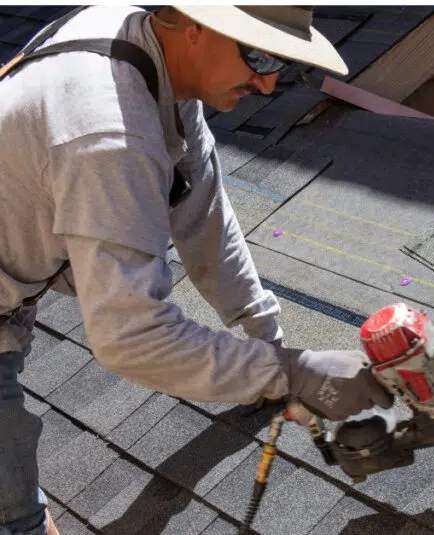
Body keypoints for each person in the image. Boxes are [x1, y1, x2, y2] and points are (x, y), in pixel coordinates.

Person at [0, 6, 392, 534]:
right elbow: (131, 339)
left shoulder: (149, 52)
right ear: (195, 26)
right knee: (11, 489)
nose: (270, 80)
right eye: (257, 54)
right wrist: (292, 371)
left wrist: (265, 335)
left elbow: (200, 208)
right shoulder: (110, 130)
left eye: (284, 62)